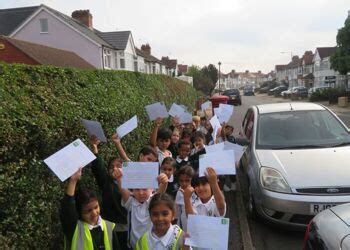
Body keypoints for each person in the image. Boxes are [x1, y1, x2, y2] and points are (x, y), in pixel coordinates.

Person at [60, 168, 121, 250]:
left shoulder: (109, 226)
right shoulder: (76, 229)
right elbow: (68, 208)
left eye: (96, 207)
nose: (94, 213)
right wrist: (73, 181)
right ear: (79, 212)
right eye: (88, 211)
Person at [113, 167, 169, 249]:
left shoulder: (153, 202)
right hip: (134, 246)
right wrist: (119, 178)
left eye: (144, 189)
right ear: (132, 190)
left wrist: (164, 182)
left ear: (152, 189)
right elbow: (122, 189)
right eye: (137, 189)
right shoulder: (130, 202)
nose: (141, 192)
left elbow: (161, 192)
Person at [90, 135, 129, 249]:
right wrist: (95, 149)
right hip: (110, 226)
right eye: (111, 167)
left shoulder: (131, 183)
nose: (115, 168)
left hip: (127, 227)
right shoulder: (106, 182)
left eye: (118, 166)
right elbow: (98, 167)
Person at [175, 165, 196, 232]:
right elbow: (177, 210)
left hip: (196, 223)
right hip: (183, 223)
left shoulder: (198, 191)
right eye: (181, 181)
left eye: (187, 180)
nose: (184, 184)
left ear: (192, 180)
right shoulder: (179, 191)